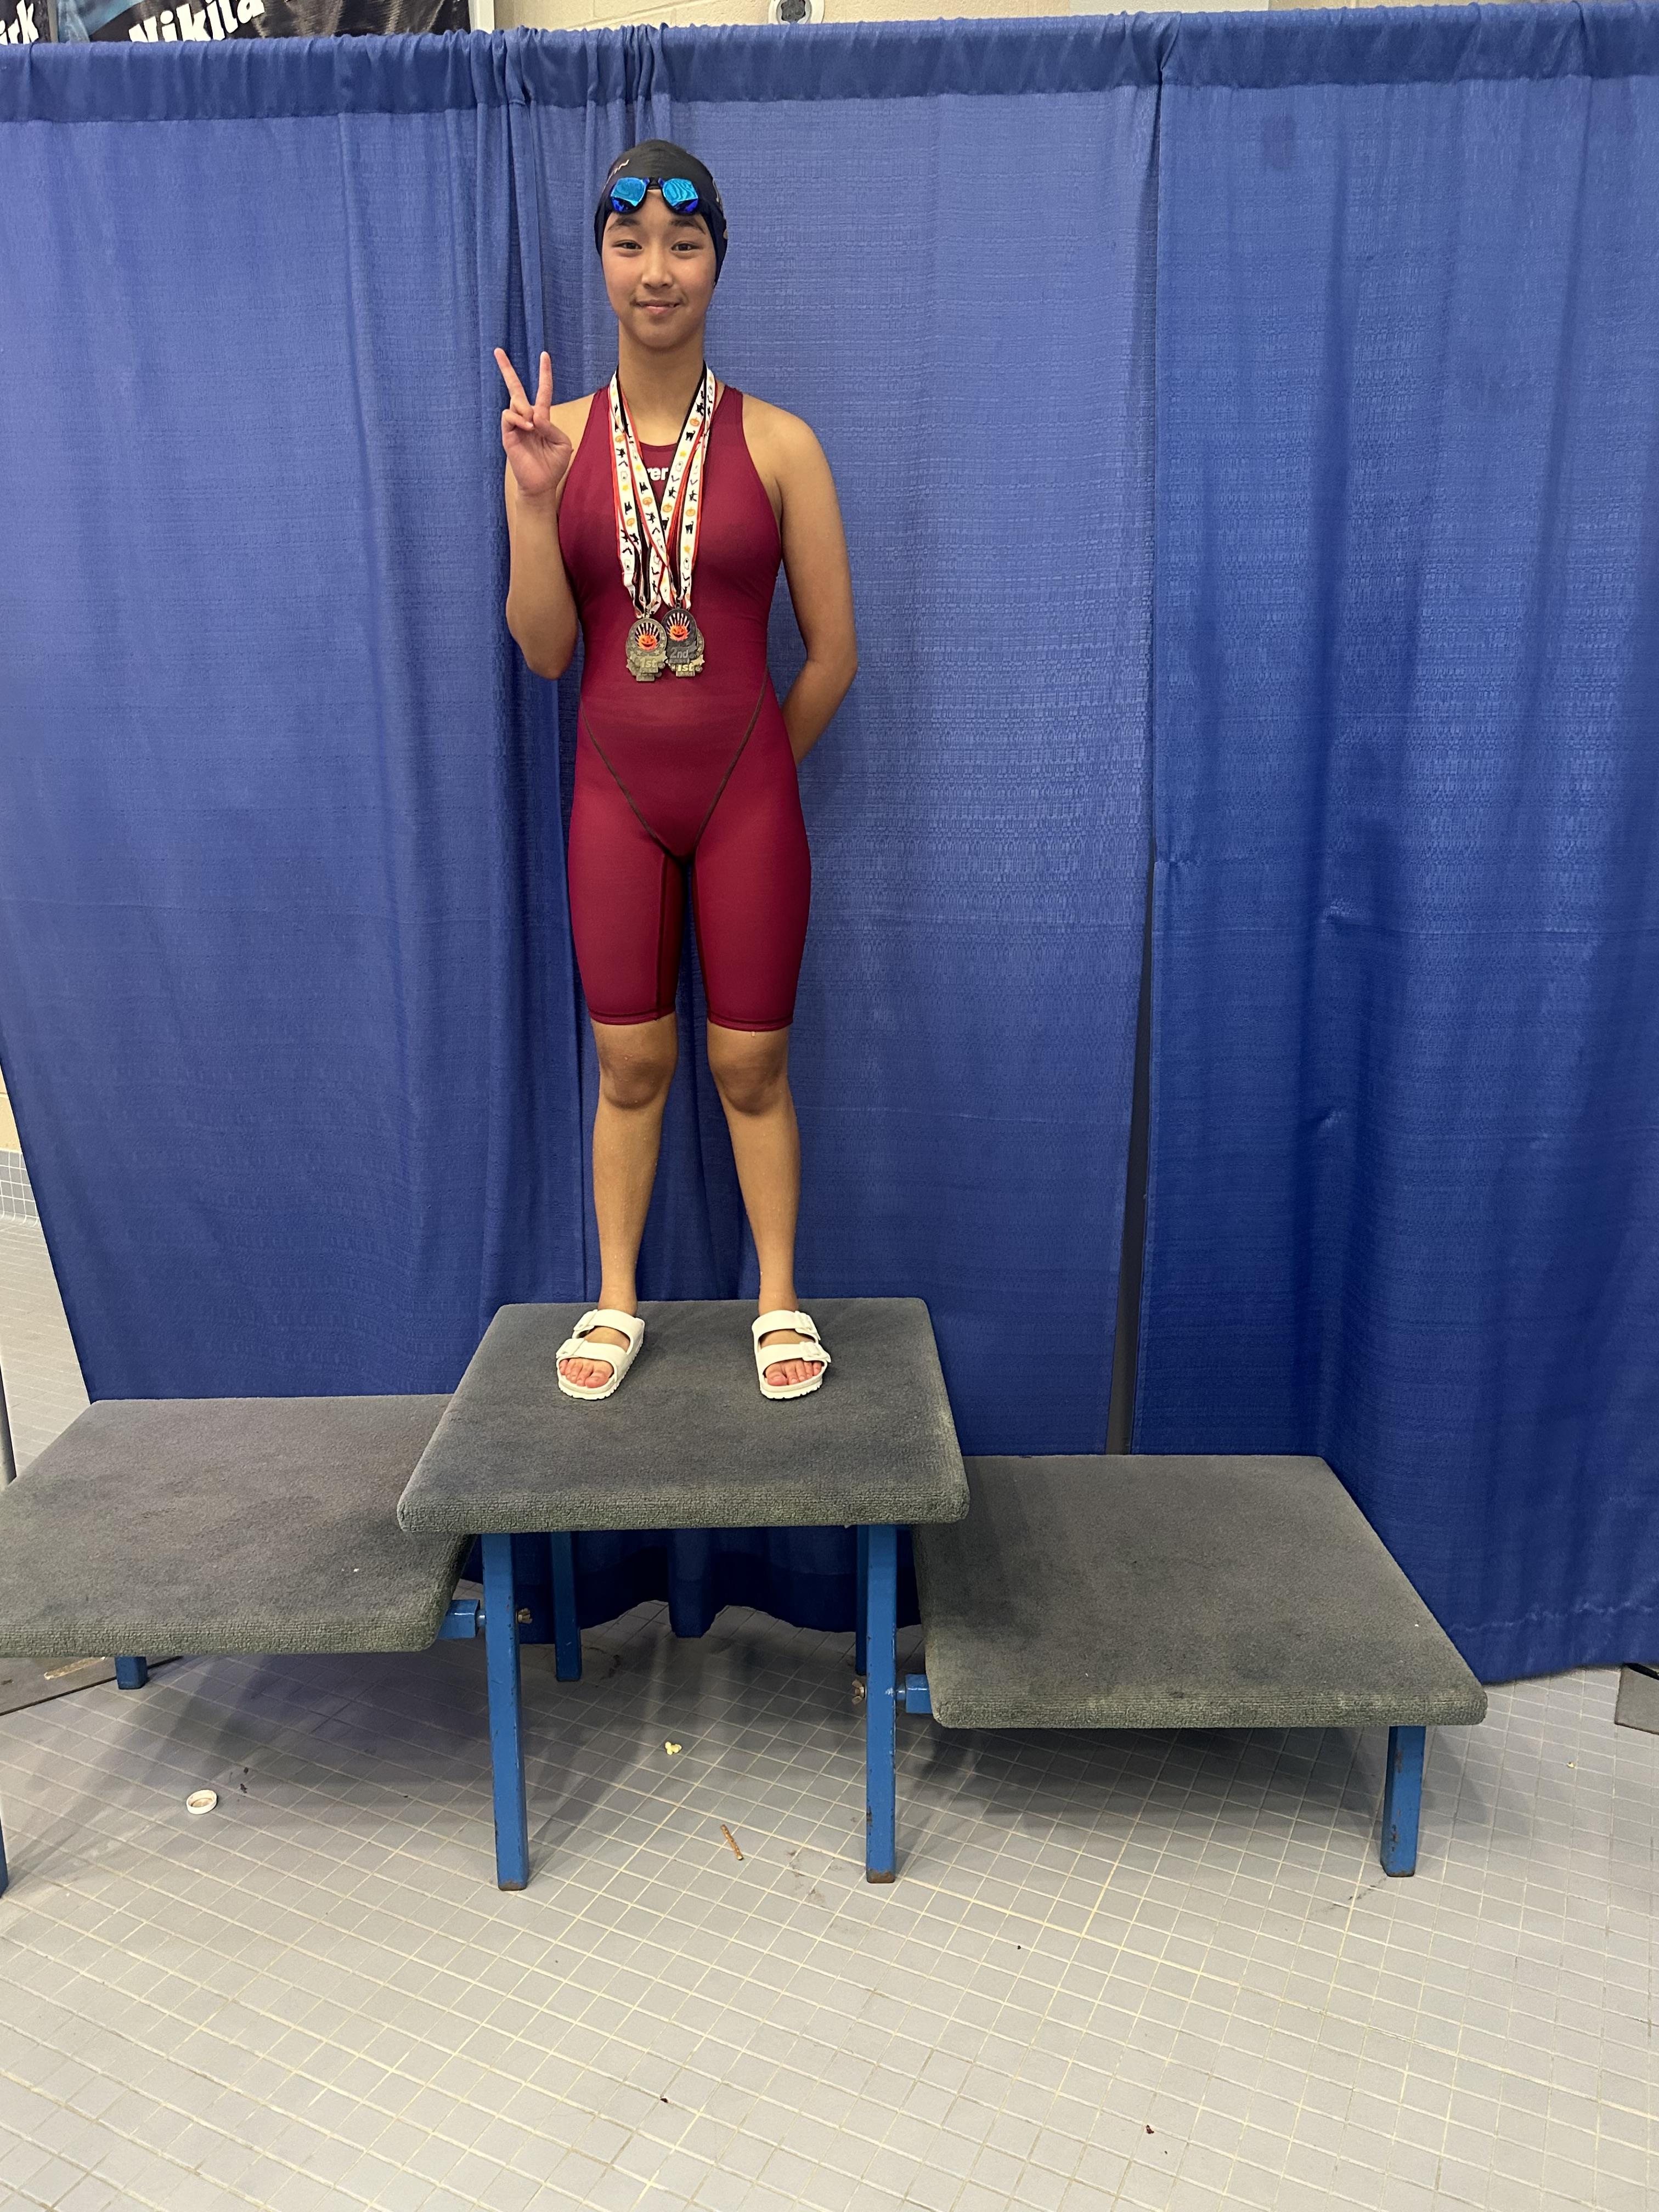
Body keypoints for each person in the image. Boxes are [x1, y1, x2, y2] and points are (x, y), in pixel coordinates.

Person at [494, 142, 857, 1405]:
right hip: (615, 802)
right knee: (631, 1067)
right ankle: (615, 1295)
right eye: (631, 244)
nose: (657, 270)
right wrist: (533, 504)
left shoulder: (784, 446)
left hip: (748, 803)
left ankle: (778, 1296)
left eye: (684, 245)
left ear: (717, 263)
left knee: (751, 1068)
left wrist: (751, 775)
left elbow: (835, 656)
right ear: (601, 260)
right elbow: (548, 653)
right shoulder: (552, 441)